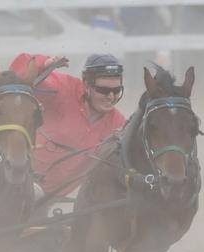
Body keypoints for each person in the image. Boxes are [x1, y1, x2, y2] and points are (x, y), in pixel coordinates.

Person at [9, 52, 126, 197]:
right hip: (19, 184)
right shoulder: (62, 89)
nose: (111, 97)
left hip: (58, 200)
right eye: (103, 90)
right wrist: (43, 64)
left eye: (116, 90)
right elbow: (17, 76)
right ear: (86, 84)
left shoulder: (118, 124)